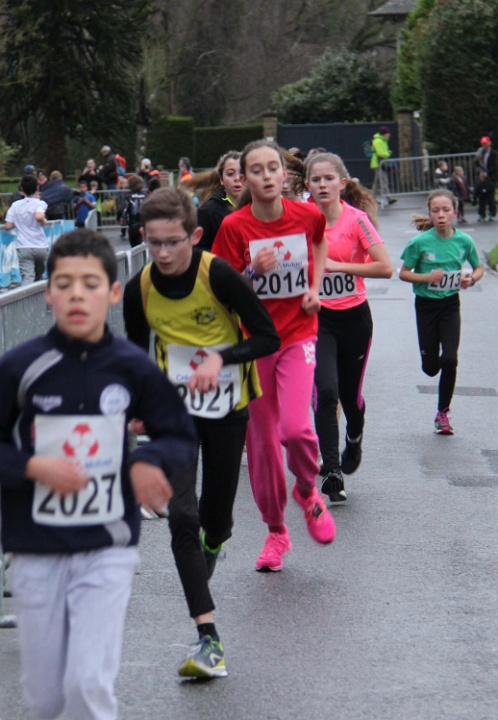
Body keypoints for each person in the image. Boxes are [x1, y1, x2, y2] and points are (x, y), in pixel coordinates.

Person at [0, 229, 198, 720]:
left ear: (111, 293)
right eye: (64, 284)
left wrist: (149, 461)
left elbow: (179, 433)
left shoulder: (133, 368)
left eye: (90, 284)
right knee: (47, 697)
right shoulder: (20, 367)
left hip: (106, 546)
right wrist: (31, 466)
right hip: (35, 548)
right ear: (47, 295)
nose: (76, 295)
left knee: (88, 685)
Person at [123, 187, 280, 676]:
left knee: (216, 520)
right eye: (154, 243)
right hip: (175, 412)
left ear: (194, 236)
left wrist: (219, 358)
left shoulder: (220, 275)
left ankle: (215, 543)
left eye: (173, 242)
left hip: (227, 407)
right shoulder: (139, 288)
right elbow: (135, 357)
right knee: (181, 517)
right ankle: (208, 640)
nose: (163, 253)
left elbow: (267, 337)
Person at [212, 140, 336, 572]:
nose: (266, 176)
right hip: (255, 342)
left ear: (285, 174)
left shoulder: (307, 215)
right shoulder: (234, 226)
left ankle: (307, 489)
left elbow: (319, 244)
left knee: (297, 429)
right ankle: (276, 532)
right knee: (263, 446)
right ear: (244, 179)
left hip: (299, 334)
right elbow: (219, 286)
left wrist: (314, 289)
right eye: (257, 170)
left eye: (273, 168)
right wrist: (251, 272)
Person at [303, 153, 392, 503]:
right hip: (317, 319)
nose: (322, 185)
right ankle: (332, 470)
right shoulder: (299, 219)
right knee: (326, 391)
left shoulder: (356, 220)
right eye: (315, 180)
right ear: (307, 185)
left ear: (342, 183)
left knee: (351, 398)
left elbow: (385, 267)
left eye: (329, 179)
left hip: (354, 319)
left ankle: (354, 437)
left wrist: (338, 266)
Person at [399, 189, 484, 434]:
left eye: (446, 210)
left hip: (450, 304)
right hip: (426, 306)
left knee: (449, 358)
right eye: (435, 211)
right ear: (430, 214)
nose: (441, 215)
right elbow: (403, 273)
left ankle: (443, 412)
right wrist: (426, 277)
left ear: (455, 212)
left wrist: (471, 279)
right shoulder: (419, 243)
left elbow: (478, 268)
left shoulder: (464, 241)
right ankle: (430, 362)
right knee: (430, 368)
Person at [184, 151, 243, 251]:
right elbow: (197, 250)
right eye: (230, 174)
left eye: (242, 173)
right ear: (221, 179)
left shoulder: (261, 207)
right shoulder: (207, 211)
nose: (237, 178)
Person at [4, 174, 49, 284]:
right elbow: (39, 217)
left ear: (22, 189)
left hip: (23, 246)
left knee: (27, 276)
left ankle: (27, 294)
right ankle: (39, 293)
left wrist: (19, 222)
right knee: (39, 275)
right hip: (40, 245)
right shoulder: (40, 203)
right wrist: (44, 221)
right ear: (37, 188)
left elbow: (8, 226)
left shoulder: (15, 205)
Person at [370, 125, 397, 205]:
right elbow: (380, 153)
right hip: (379, 164)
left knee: (377, 183)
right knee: (383, 181)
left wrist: (387, 153)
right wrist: (388, 153)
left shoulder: (382, 141)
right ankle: (389, 198)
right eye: (388, 133)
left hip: (380, 163)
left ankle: (371, 199)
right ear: (384, 134)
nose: (389, 135)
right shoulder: (378, 141)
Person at [475, 135, 497, 218]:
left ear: (489, 143)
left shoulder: (493, 153)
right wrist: (480, 172)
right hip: (481, 176)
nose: (484, 145)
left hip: (490, 177)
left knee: (490, 196)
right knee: (481, 196)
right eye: (483, 143)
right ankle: (482, 214)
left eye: (486, 143)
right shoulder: (480, 152)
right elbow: (476, 164)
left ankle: (492, 213)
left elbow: (494, 166)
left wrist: (487, 173)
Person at [121, 174, 146, 248]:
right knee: (143, 245)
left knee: (134, 247)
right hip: (144, 223)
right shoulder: (146, 195)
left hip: (133, 224)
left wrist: (120, 218)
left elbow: (122, 208)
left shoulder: (128, 195)